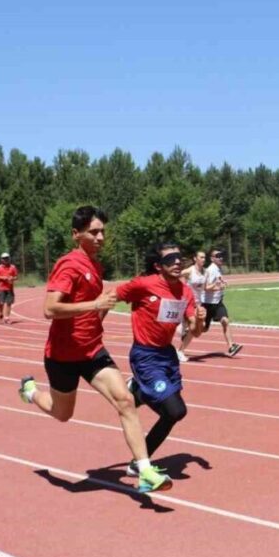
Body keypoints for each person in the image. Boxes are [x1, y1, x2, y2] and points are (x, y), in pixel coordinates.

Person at [17, 205, 171, 493]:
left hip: (92, 351)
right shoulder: (69, 264)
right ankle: (30, 392)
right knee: (62, 414)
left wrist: (99, 313)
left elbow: (93, 308)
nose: (101, 237)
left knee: (125, 400)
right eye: (94, 232)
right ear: (77, 234)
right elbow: (50, 309)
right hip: (62, 356)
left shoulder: (95, 265)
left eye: (103, 231)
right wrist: (95, 304)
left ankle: (145, 470)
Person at [117, 243, 202, 476]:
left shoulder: (185, 292)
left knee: (171, 413)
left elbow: (195, 330)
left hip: (168, 356)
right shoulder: (144, 284)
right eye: (170, 259)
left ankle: (138, 462)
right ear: (158, 266)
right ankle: (140, 389)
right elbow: (113, 295)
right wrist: (95, 323)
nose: (177, 262)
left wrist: (200, 320)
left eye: (179, 258)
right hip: (146, 355)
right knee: (176, 411)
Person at [202, 249, 242, 357]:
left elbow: (218, 282)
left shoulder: (219, 269)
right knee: (204, 329)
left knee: (225, 321)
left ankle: (231, 346)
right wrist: (217, 287)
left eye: (222, 255)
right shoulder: (210, 270)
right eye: (218, 256)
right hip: (207, 303)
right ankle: (189, 330)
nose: (221, 258)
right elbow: (206, 287)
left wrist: (223, 283)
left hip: (218, 302)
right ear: (212, 258)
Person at [176, 250, 208, 360]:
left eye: (204, 257)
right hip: (188, 303)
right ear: (195, 258)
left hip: (198, 303)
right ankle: (180, 351)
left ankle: (180, 348)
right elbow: (175, 276)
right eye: (201, 257)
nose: (203, 259)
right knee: (195, 326)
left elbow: (204, 288)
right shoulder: (189, 271)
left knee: (199, 327)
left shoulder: (205, 272)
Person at [0, 252, 19, 323]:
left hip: (10, 288)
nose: (6, 259)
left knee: (9, 303)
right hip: (1, 288)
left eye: (7, 258)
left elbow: (16, 276)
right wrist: (2, 278)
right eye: (4, 258)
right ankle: (1, 313)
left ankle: (7, 318)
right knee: (1, 303)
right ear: (1, 260)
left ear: (9, 259)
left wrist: (12, 278)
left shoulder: (12, 267)